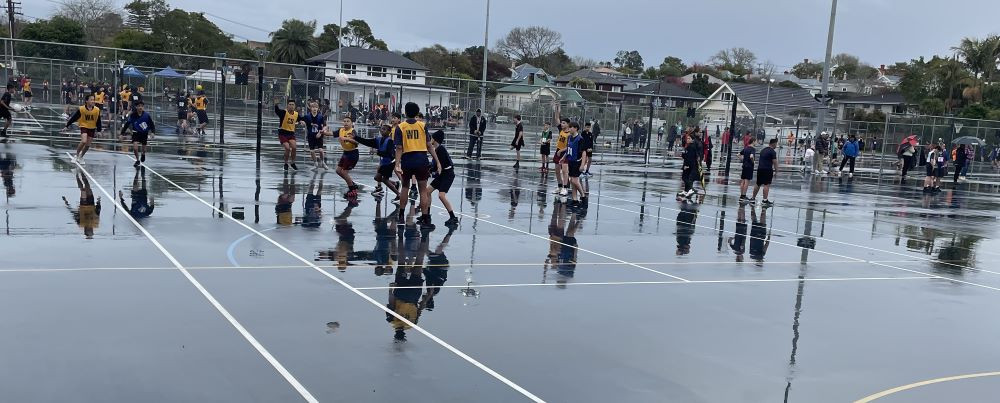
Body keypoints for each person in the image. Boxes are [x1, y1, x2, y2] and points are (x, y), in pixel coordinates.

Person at [394, 102, 439, 227]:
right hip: (421, 159)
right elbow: (429, 145)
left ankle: (402, 215)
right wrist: (437, 161)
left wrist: (397, 164)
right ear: (417, 112)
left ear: (405, 112)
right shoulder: (422, 126)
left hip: (407, 159)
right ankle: (425, 217)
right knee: (423, 191)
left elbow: (398, 147)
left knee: (405, 187)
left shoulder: (401, 127)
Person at [428, 130, 459, 227]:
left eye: (432, 138)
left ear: (435, 140)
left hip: (448, 174)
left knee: (441, 195)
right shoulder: (436, 149)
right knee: (427, 191)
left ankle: (453, 217)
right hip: (442, 174)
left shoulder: (440, 149)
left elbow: (439, 165)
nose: (430, 140)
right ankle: (427, 214)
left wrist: (429, 170)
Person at [64, 94, 102, 164]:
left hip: (92, 127)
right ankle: (77, 155)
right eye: (91, 100)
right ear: (86, 101)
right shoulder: (82, 109)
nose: (93, 101)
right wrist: (67, 125)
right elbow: (74, 118)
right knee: (84, 141)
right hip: (84, 126)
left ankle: (81, 156)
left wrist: (99, 130)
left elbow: (98, 120)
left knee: (87, 145)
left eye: (93, 99)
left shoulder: (97, 110)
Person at [120, 101, 156, 168]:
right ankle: (137, 160)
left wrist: (153, 132)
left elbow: (152, 124)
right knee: (135, 148)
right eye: (139, 106)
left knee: (144, 149)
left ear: (143, 107)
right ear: (136, 107)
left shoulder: (146, 115)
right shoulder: (133, 115)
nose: (140, 107)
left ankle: (143, 154)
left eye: (141, 106)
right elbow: (127, 124)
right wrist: (122, 134)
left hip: (144, 133)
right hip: (136, 133)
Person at [274, 98, 305, 170]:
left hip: (291, 133)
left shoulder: (296, 114)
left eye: (292, 105)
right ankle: (285, 163)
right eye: (290, 104)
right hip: (283, 133)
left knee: (294, 147)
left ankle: (293, 163)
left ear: (295, 106)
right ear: (287, 106)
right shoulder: (284, 113)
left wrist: (301, 121)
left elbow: (300, 119)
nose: (291, 106)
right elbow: (277, 111)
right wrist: (276, 104)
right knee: (287, 148)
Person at [334, 117, 360, 198]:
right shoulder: (341, 130)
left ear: (351, 123)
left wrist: (347, 139)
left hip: (352, 153)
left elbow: (357, 142)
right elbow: (332, 133)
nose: (345, 123)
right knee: (338, 171)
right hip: (345, 153)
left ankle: (352, 190)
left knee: (344, 172)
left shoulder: (352, 131)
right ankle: (352, 184)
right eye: (344, 121)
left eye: (348, 121)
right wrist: (323, 132)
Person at [565, 122, 588, 210]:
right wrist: (563, 157)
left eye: (571, 127)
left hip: (577, 162)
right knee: (572, 180)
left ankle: (583, 196)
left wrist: (582, 165)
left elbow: (584, 152)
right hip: (571, 161)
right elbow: (568, 150)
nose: (569, 129)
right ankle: (575, 200)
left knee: (575, 180)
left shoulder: (580, 139)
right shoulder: (569, 137)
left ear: (576, 128)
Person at [749, 138, 778, 207]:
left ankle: (753, 198)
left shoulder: (763, 150)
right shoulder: (772, 152)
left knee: (758, 184)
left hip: (760, 169)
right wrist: (776, 170)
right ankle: (765, 200)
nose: (776, 145)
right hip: (767, 169)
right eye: (776, 144)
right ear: (773, 144)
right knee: (766, 184)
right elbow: (775, 162)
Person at [302, 101, 330, 170]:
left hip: (319, 135)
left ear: (318, 109)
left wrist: (321, 132)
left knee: (320, 150)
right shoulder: (307, 116)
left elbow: (326, 126)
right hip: (311, 136)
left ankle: (323, 162)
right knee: (312, 151)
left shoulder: (320, 117)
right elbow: (302, 122)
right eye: (313, 107)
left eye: (316, 107)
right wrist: (302, 123)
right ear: (310, 108)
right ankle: (315, 164)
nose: (314, 109)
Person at [678, 130, 703, 200]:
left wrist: (686, 165)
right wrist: (683, 154)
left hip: (689, 165)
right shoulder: (689, 146)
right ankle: (686, 191)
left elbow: (690, 157)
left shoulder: (691, 147)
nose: (687, 139)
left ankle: (691, 190)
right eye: (687, 138)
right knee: (686, 177)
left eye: (689, 138)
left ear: (692, 140)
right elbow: (686, 156)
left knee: (685, 178)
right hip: (689, 164)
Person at [552, 118, 571, 196]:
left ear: (568, 124)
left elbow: (570, 146)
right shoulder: (561, 130)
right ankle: (559, 186)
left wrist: (561, 151)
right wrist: (556, 108)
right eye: (562, 123)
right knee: (557, 170)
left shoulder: (570, 134)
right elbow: (556, 119)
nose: (562, 124)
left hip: (565, 152)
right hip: (558, 150)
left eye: (564, 123)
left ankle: (565, 188)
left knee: (564, 171)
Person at [738, 136, 756, 203]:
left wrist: (743, 159)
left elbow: (738, 154)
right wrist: (753, 161)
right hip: (749, 166)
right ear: (753, 141)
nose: (756, 143)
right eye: (755, 141)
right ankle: (744, 195)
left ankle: (741, 195)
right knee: (747, 181)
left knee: (742, 181)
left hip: (744, 166)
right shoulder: (752, 149)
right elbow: (751, 156)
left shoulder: (745, 148)